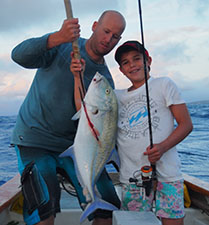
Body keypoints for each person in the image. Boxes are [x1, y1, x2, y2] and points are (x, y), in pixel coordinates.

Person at [11, 10, 126, 225]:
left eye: (115, 37)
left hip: (77, 147)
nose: (108, 39)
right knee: (43, 208)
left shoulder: (105, 81)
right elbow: (18, 56)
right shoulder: (64, 45)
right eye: (106, 31)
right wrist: (57, 37)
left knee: (107, 204)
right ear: (94, 26)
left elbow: (100, 129)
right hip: (35, 139)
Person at [112, 40, 193, 225]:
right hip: (132, 178)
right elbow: (86, 107)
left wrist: (163, 147)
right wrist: (78, 76)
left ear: (148, 60)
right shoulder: (117, 97)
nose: (132, 64)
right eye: (125, 62)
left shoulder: (164, 84)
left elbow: (186, 124)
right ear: (121, 70)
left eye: (137, 58)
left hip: (168, 175)